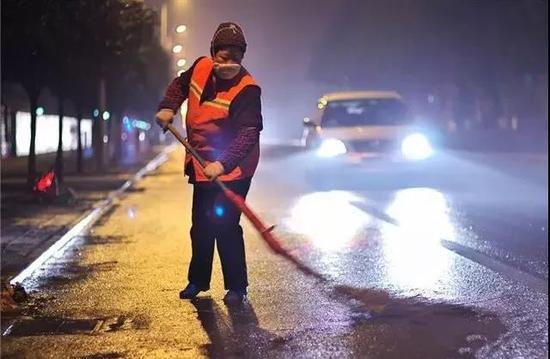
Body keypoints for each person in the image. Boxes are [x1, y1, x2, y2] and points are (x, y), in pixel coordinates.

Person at [155, 22, 262, 304]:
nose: (229, 64)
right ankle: (197, 281)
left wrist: (223, 164)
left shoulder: (248, 89)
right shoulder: (200, 67)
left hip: (236, 167)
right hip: (203, 163)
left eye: (236, 58)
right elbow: (179, 86)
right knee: (201, 224)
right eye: (224, 56)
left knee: (226, 224)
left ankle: (237, 288)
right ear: (213, 52)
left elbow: (248, 134)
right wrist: (168, 107)